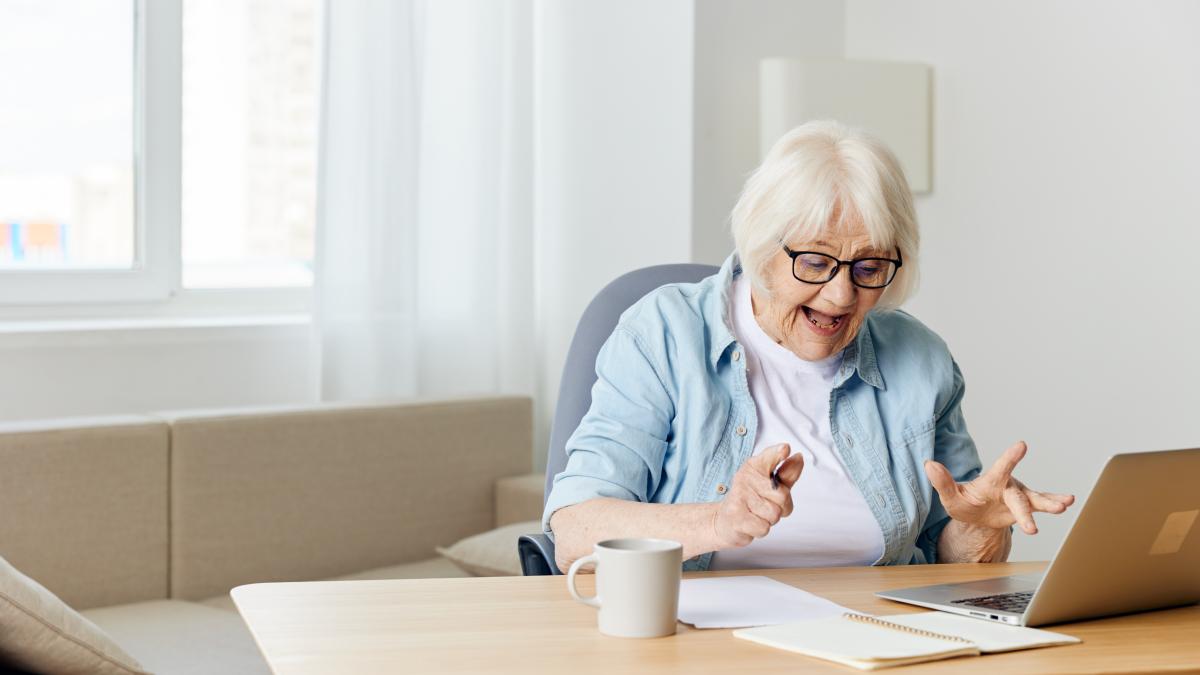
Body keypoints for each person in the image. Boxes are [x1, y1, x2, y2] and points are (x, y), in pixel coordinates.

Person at [543, 120, 1075, 574]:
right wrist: (718, 521)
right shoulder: (664, 333)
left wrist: (976, 528)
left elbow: (947, 557)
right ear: (761, 245)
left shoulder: (921, 359)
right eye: (816, 263)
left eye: (870, 268)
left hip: (875, 641)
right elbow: (575, 529)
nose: (842, 295)